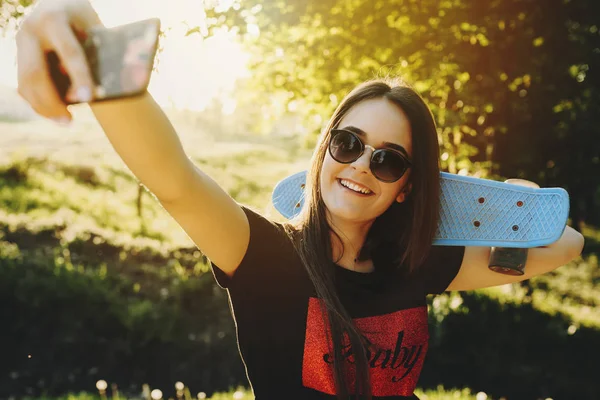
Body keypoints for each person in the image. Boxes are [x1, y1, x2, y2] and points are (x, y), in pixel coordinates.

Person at [14, 0, 585, 399]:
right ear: (323, 151)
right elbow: (175, 180)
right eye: (348, 143)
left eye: (389, 160)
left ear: (408, 185)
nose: (362, 164)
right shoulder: (263, 257)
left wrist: (509, 207)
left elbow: (563, 245)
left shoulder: (417, 262)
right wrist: (96, 45)